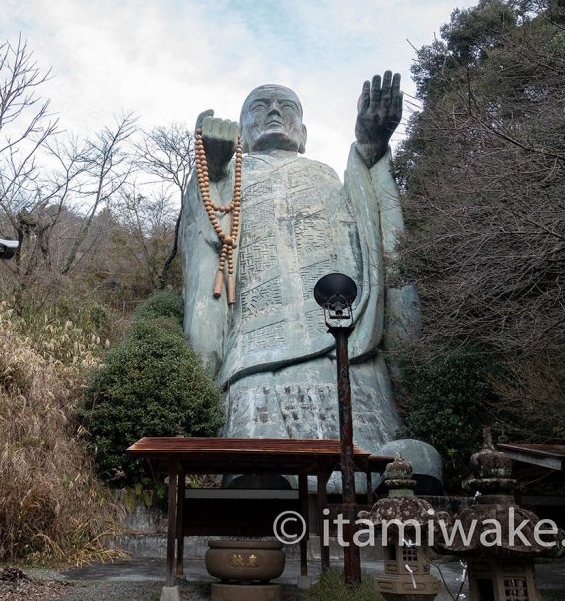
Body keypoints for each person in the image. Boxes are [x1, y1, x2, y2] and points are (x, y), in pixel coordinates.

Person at [180, 72, 441, 491]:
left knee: (397, 456)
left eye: (287, 108)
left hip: (348, 345)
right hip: (256, 353)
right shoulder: (233, 177)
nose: (274, 114)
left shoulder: (327, 176)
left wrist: (372, 151)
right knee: (258, 456)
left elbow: (380, 239)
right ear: (241, 131)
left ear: (303, 133)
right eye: (259, 108)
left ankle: (387, 483)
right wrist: (211, 170)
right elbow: (209, 247)